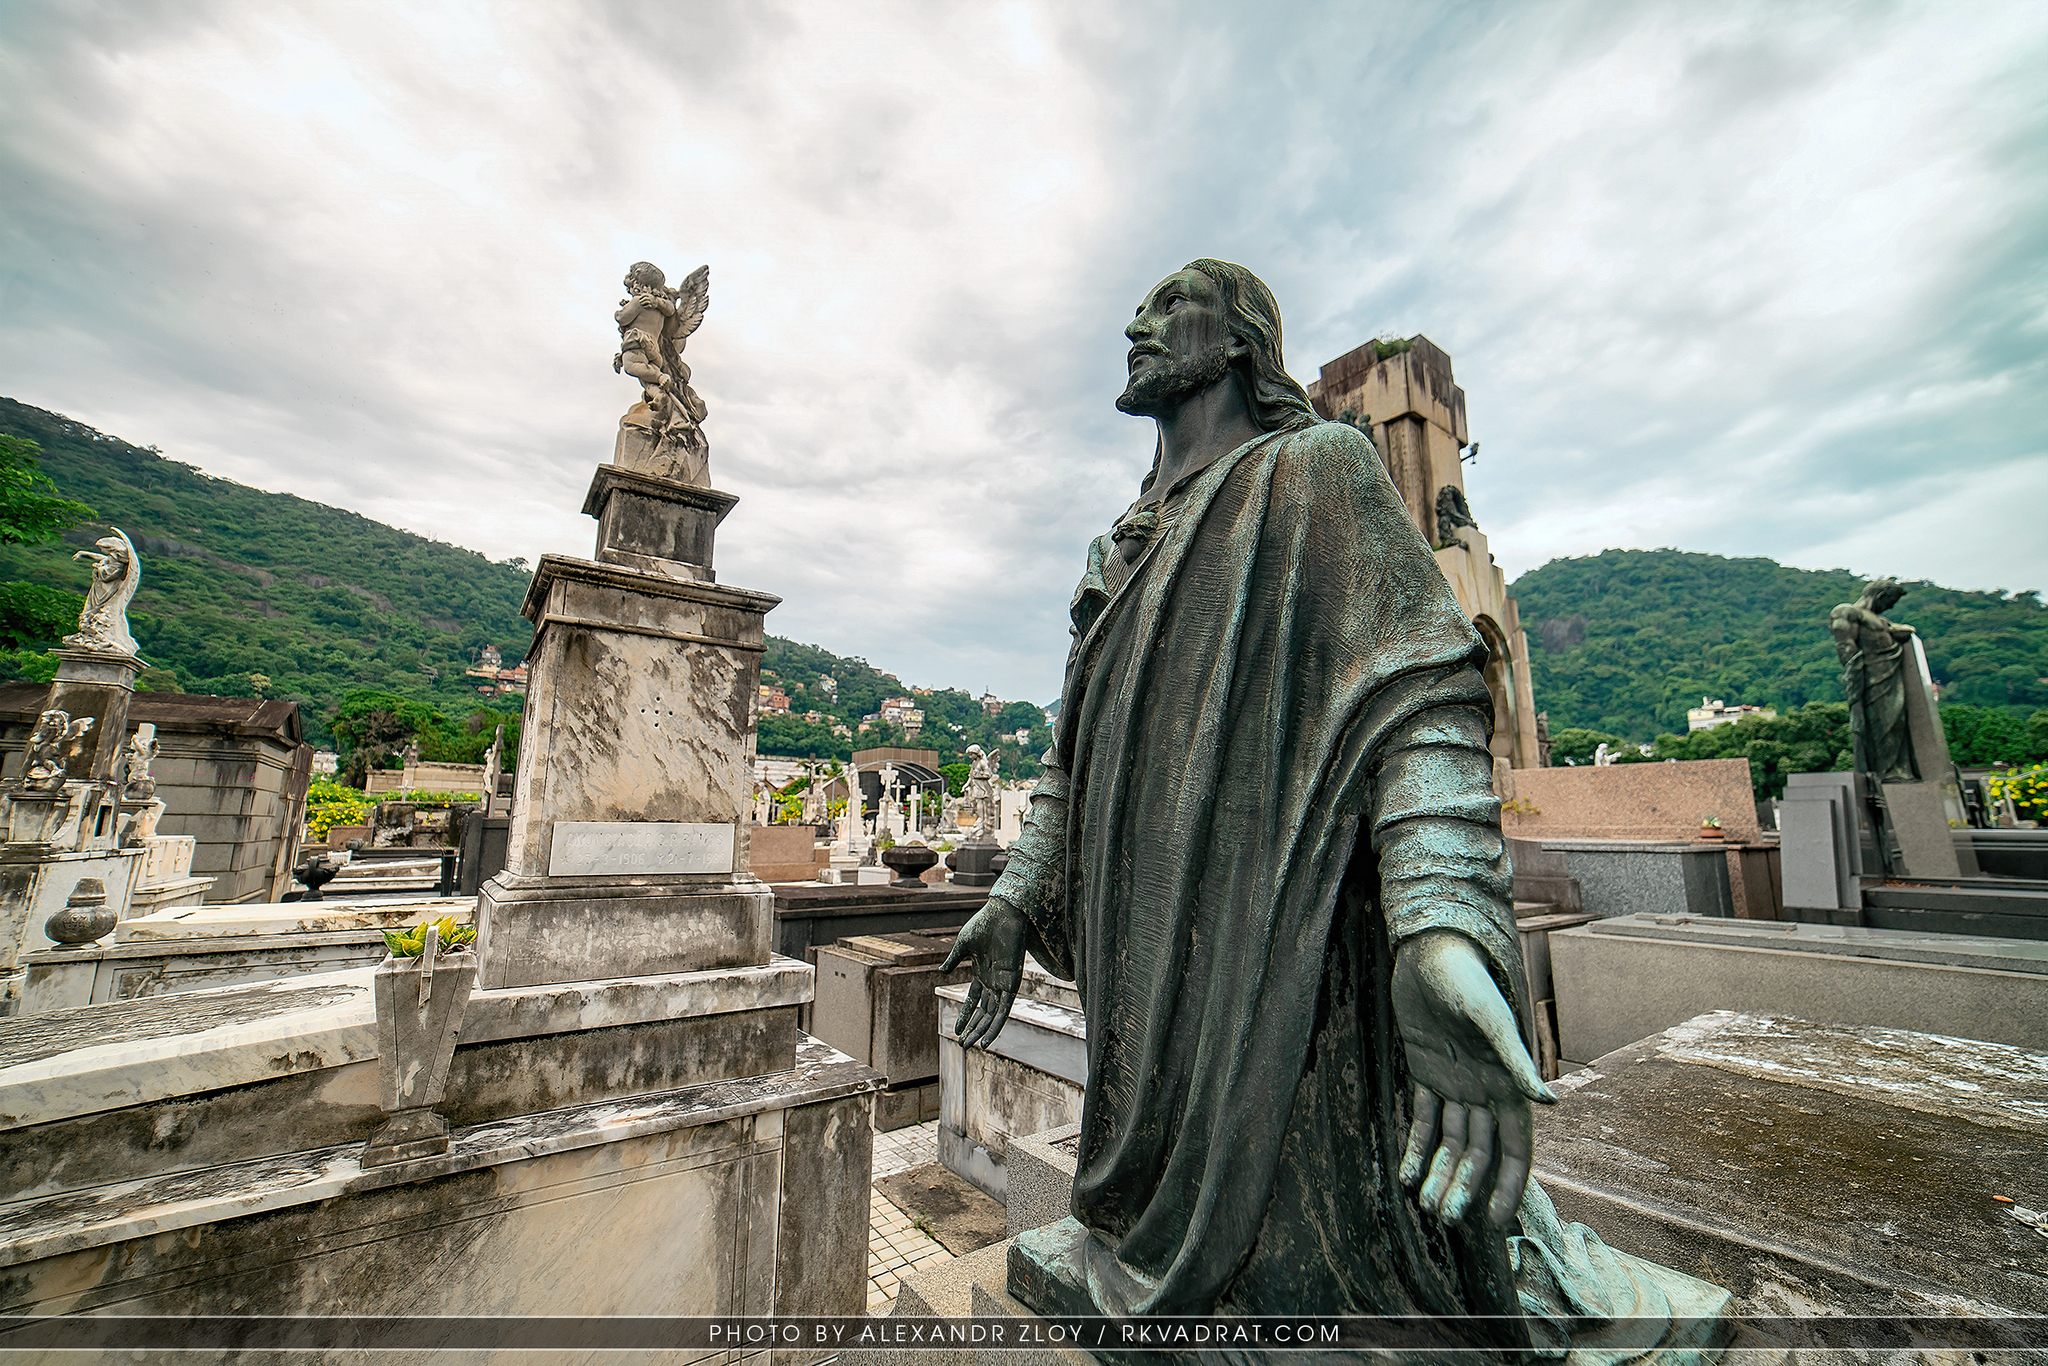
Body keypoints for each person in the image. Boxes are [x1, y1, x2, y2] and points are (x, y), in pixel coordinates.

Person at [943, 261, 1696, 1351]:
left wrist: (1438, 928)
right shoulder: (1117, 545)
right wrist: (1015, 894)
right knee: (1127, 1215)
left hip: (1277, 954)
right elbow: (1069, 755)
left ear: (1242, 339)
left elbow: (1422, 706)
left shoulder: (1316, 475)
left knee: (1307, 1275)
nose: (1134, 325)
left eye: (1166, 308)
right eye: (1137, 311)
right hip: (1139, 952)